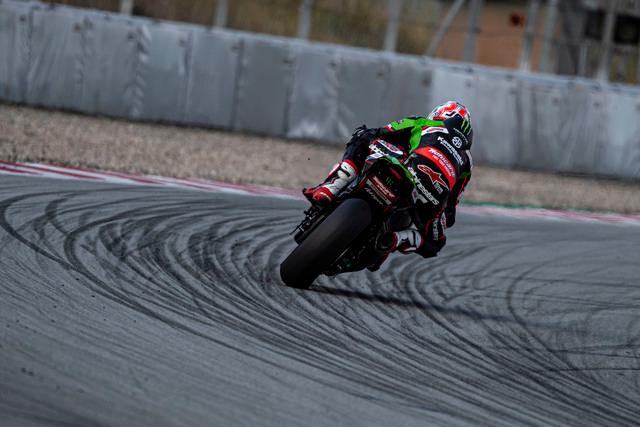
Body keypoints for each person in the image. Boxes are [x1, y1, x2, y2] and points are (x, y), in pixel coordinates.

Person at [303, 101, 473, 265]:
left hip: (408, 169)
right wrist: (438, 216)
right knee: (434, 245)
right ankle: (398, 239)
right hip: (432, 199)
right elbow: (450, 210)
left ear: (439, 114)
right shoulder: (467, 162)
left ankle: (331, 187)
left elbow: (381, 132)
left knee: (362, 134)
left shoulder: (423, 122)